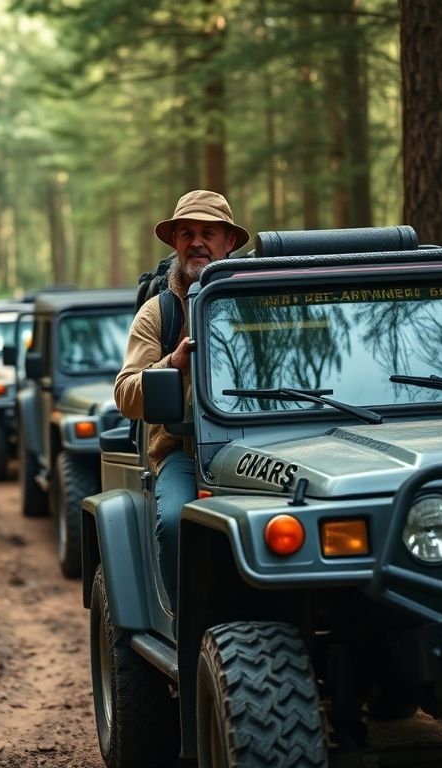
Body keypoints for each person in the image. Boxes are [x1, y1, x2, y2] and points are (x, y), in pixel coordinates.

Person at [114, 189, 250, 610]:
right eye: (187, 233)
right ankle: (186, 631)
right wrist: (173, 364)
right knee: (176, 521)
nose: (197, 243)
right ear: (174, 243)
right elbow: (126, 394)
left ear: (229, 242)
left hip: (258, 449)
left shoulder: (257, 300)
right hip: (181, 451)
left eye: (209, 233)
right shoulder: (158, 313)